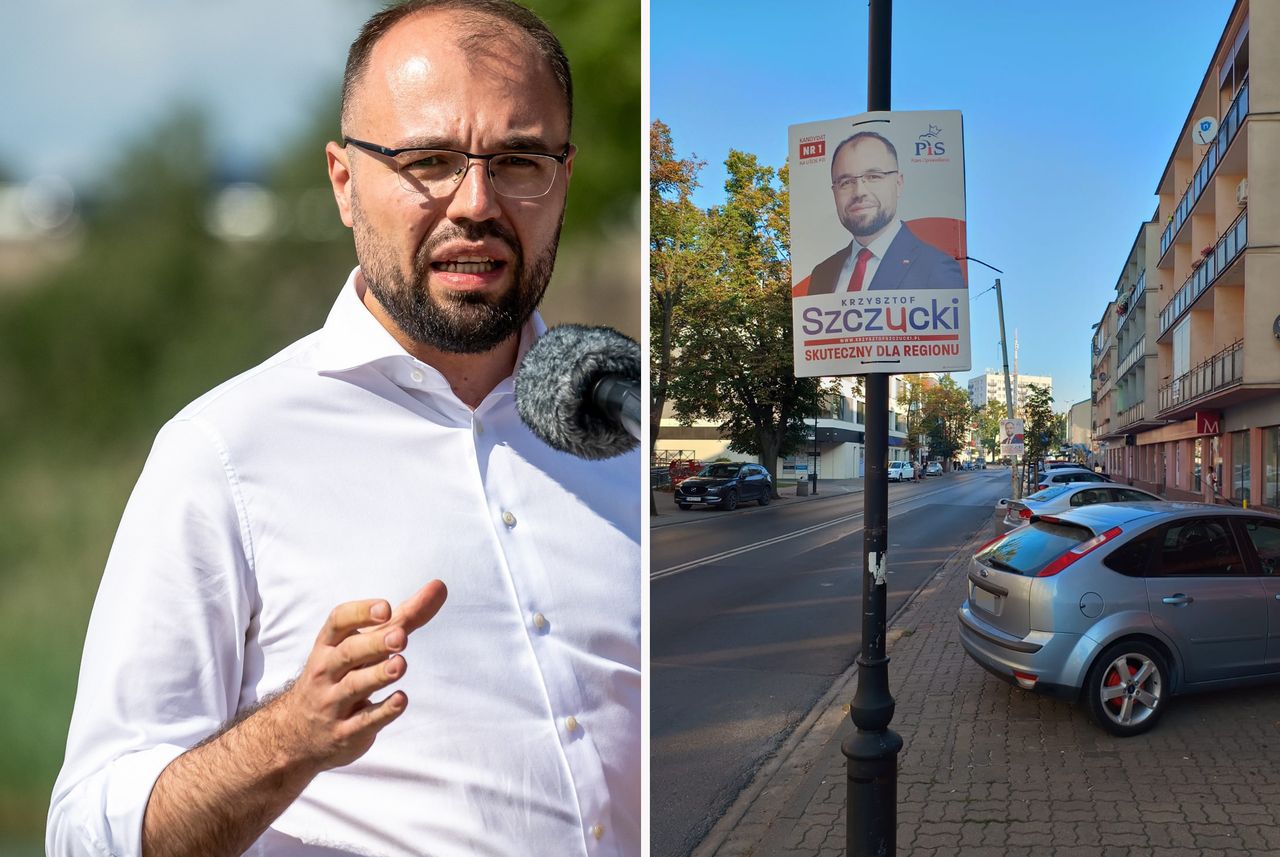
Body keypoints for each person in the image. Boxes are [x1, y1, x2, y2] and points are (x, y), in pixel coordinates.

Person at [46, 2, 640, 856]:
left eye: (517, 160)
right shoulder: (222, 453)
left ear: (565, 178)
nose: (475, 203)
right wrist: (290, 736)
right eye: (428, 160)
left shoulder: (618, 417)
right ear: (343, 180)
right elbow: (83, 833)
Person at [793, 131, 966, 296]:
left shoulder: (936, 268)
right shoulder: (822, 274)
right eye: (846, 182)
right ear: (834, 193)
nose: (859, 191)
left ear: (898, 183)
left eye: (874, 176)